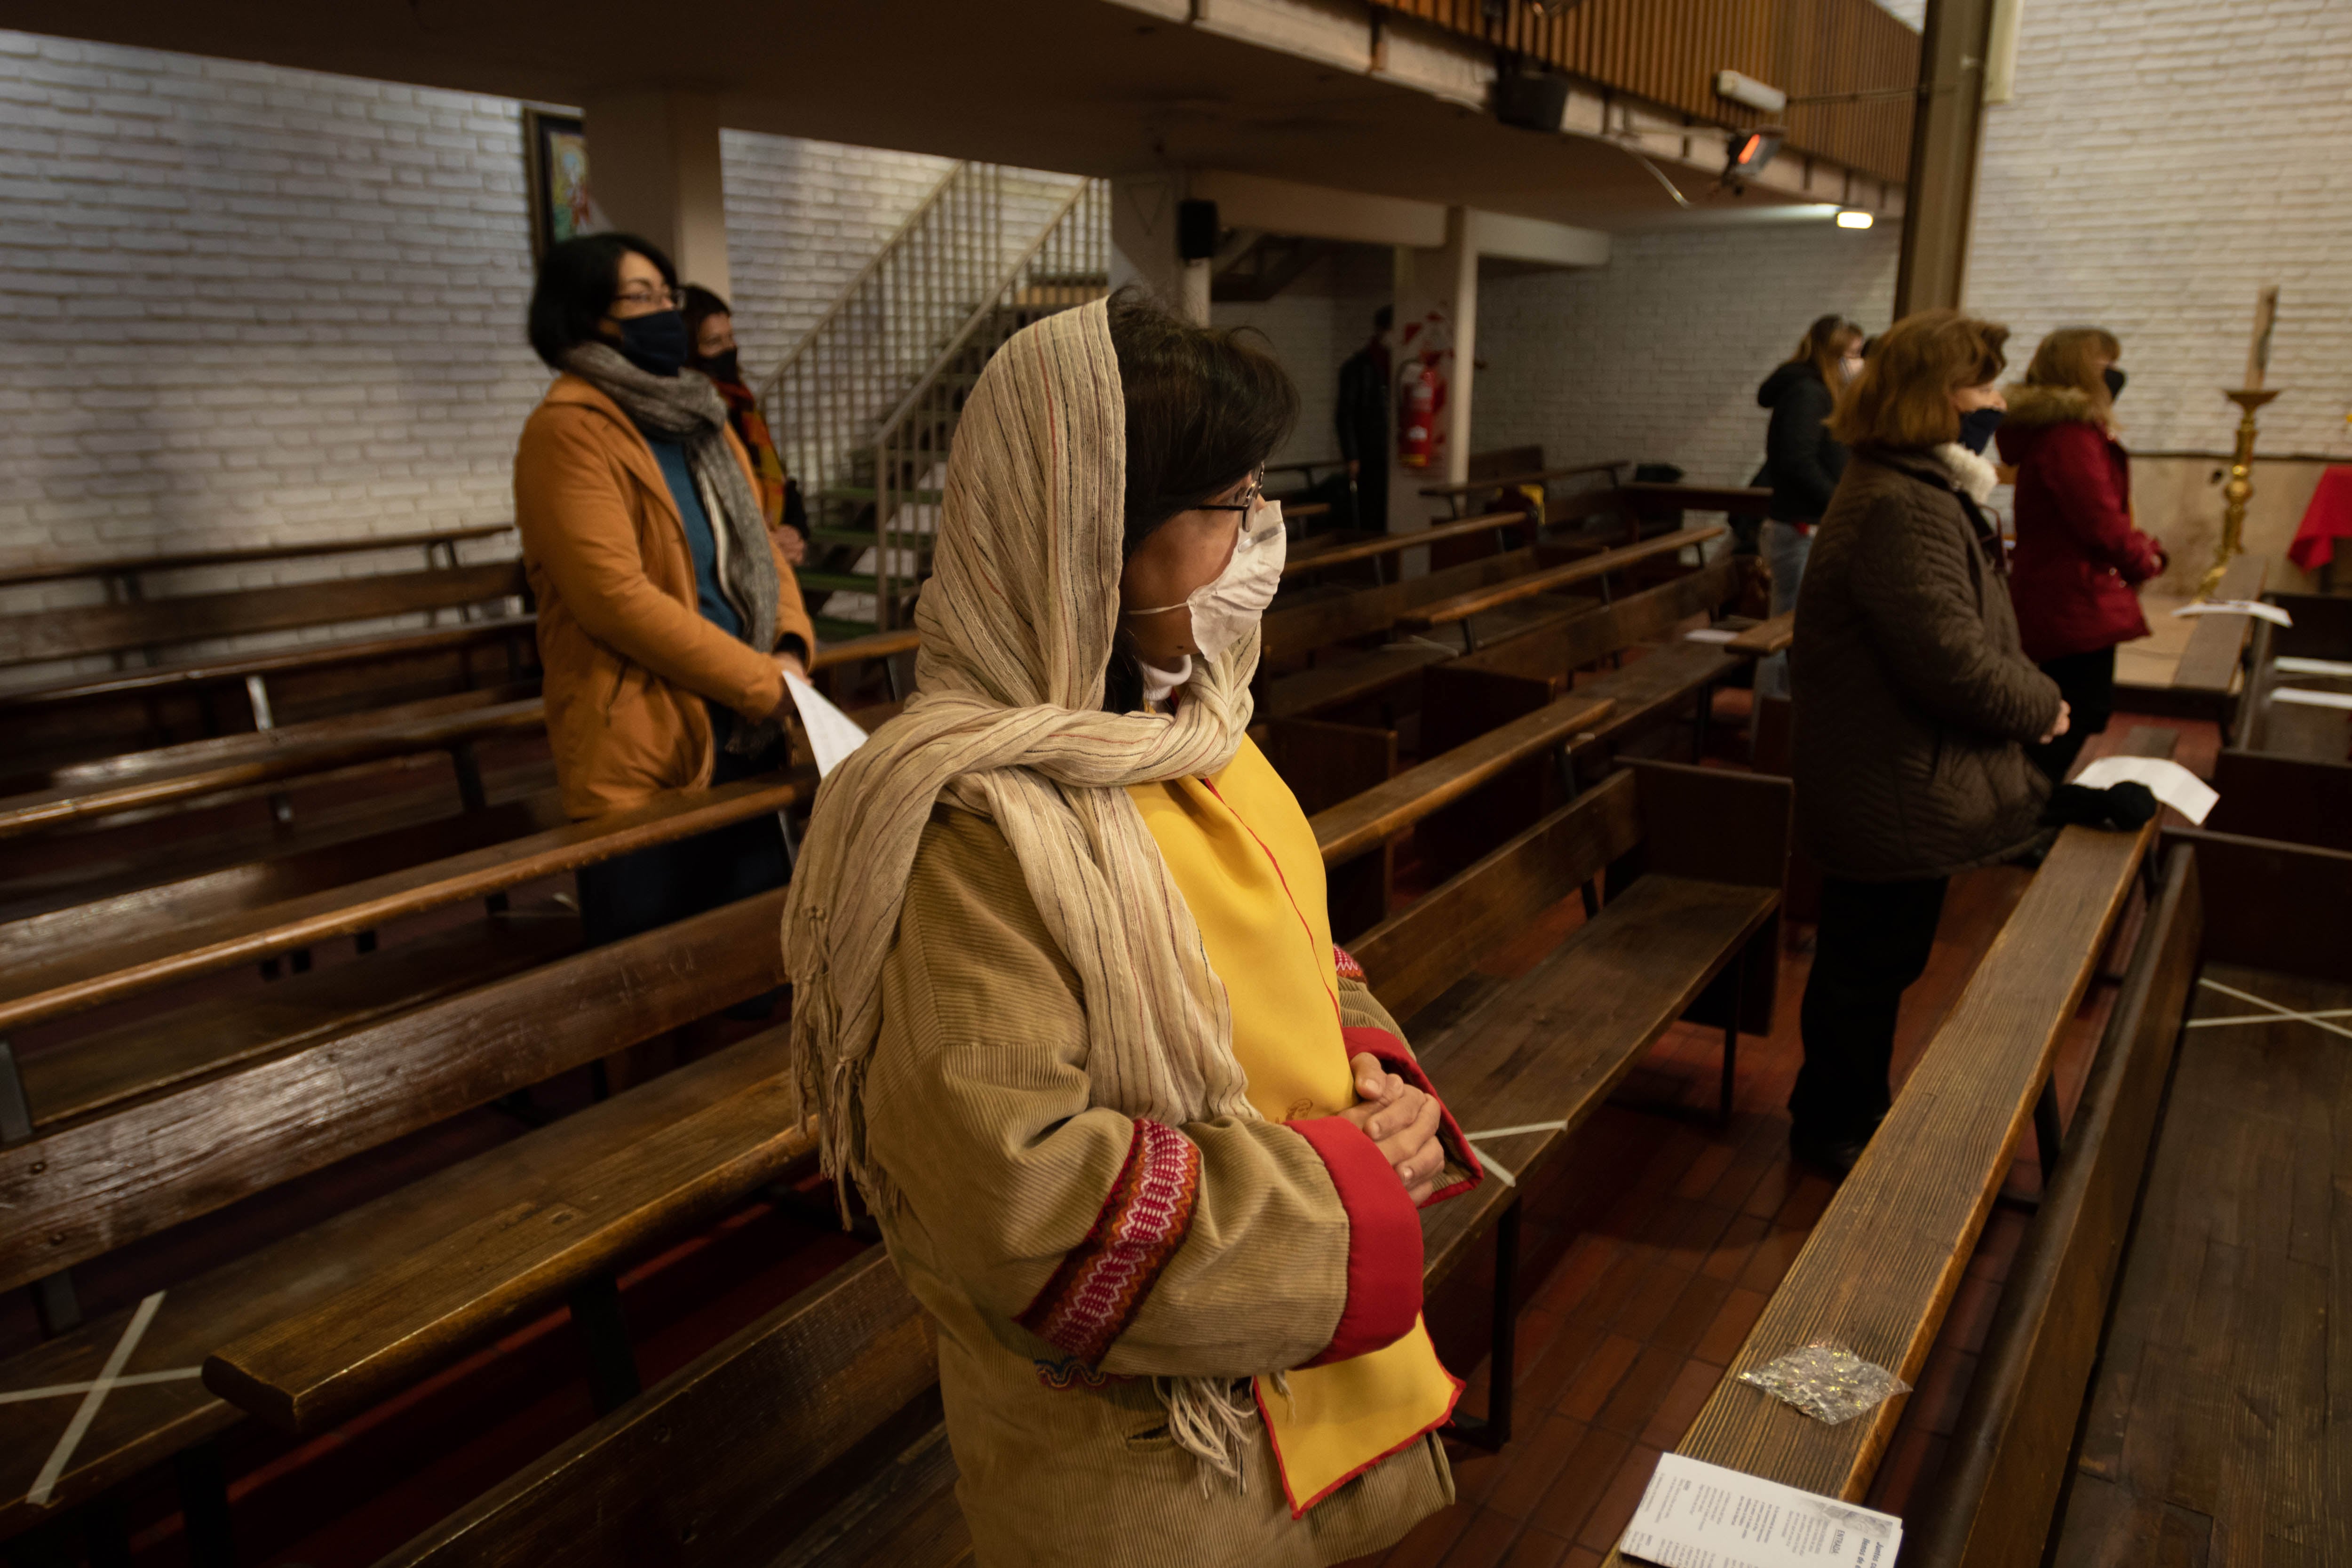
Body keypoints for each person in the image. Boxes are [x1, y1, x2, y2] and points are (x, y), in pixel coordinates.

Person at [782, 289, 1484, 1566]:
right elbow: (1032, 1203)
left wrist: (1371, 1069)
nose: (1260, 533)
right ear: (1090, 537)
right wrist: (1347, 1189)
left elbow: (1290, 942)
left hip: (1299, 1386)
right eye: (1228, 503)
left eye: (1261, 495)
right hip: (1155, 1462)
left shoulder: (1193, 728)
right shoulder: (969, 832)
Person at [1786, 309, 2068, 1176]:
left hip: (1898, 771)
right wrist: (2039, 705)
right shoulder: (1897, 505)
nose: (1997, 398)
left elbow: (1971, 631)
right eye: (1981, 383)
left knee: (1880, 958)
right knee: (1867, 967)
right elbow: (1949, 656)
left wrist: (2027, 693)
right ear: (1930, 401)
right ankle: (1833, 1123)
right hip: (1887, 778)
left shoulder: (1917, 488)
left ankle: (1841, 1104)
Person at [515, 232, 817, 947]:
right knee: (649, 976)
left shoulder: (703, 418)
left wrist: (791, 648)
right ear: (583, 313)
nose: (660, 311)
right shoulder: (568, 433)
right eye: (638, 296)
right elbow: (613, 597)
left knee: (755, 954)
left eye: (666, 296)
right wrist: (759, 680)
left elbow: (764, 551)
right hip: (645, 734)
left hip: (745, 723)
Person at [1996, 327, 2166, 781]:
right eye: (2106, 366)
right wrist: (2143, 558)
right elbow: (2098, 519)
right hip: (2071, 594)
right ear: (2081, 370)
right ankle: (2023, 804)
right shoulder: (2069, 435)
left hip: (2065, 588)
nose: (2115, 376)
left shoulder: (2064, 430)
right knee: (2079, 709)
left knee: (2069, 706)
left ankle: (2024, 800)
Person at [1755, 315, 1866, 698]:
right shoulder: (1808, 392)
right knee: (1784, 632)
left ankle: (1780, 730)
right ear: (1832, 355)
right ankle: (1767, 735)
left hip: (1811, 523)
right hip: (1800, 525)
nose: (1859, 364)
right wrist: (1841, 502)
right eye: (1852, 355)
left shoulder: (1822, 392)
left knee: (1796, 629)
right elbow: (1797, 460)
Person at [680, 283, 810, 566]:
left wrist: (794, 531)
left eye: (731, 337)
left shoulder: (742, 403)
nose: (730, 349)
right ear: (688, 350)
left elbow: (779, 478)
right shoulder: (688, 415)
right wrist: (758, 541)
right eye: (714, 342)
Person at [1334, 305, 1393, 530]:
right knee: (1370, 508)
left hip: (1388, 451)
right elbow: (1346, 414)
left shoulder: (1394, 363)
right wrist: (1352, 456)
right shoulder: (1358, 368)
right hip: (1369, 451)